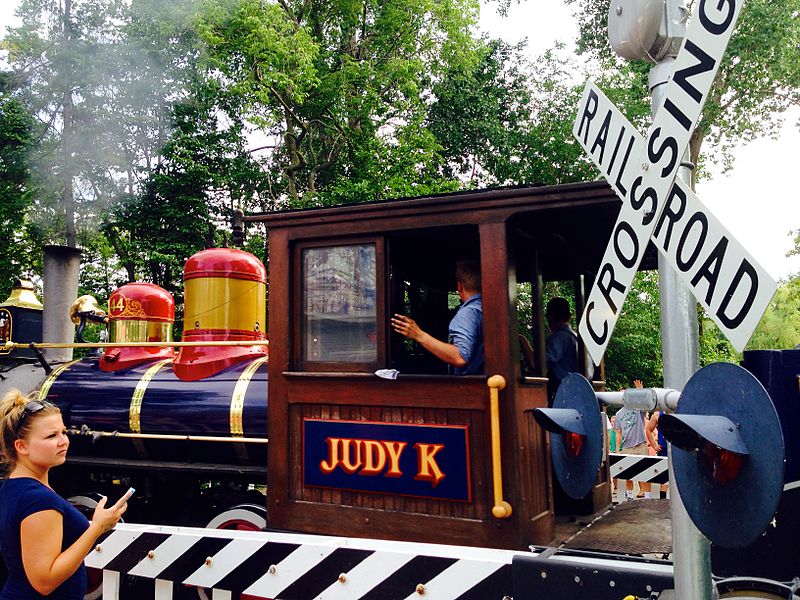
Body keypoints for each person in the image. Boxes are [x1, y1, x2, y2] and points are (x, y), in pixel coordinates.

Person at [0, 389, 128, 599]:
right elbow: (44, 581)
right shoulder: (39, 500)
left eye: (64, 432)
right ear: (22, 446)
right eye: (52, 436)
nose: (64, 441)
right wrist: (96, 527)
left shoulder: (13, 486)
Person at [392, 260, 483, 375]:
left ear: (459, 286)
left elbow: (459, 358)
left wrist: (419, 335)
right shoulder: (486, 307)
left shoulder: (468, 313)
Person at [612, 380, 653, 500]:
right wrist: (618, 449)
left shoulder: (637, 409)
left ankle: (648, 497)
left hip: (640, 445)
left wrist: (640, 390)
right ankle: (629, 497)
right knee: (627, 474)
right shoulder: (619, 414)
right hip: (627, 446)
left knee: (645, 473)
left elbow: (646, 403)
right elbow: (618, 433)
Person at [545, 297, 578, 405]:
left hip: (562, 393)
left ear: (550, 317)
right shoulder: (576, 337)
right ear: (569, 316)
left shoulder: (559, 338)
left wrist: (522, 340)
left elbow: (540, 362)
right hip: (577, 391)